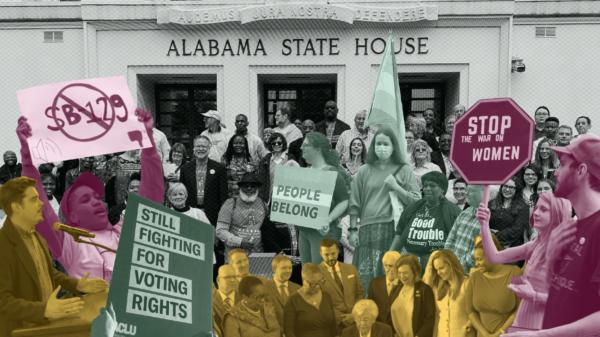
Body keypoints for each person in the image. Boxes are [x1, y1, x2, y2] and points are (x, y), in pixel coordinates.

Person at [16, 110, 164, 283]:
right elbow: (39, 208)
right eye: (85, 200)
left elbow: (151, 196)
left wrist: (147, 140)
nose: (96, 202)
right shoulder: (68, 243)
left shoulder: (124, 231)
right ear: (73, 216)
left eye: (96, 197)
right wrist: (27, 157)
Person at [500, 135, 600, 337]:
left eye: (562, 164)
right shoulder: (573, 229)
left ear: (581, 171)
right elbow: (575, 300)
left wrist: (538, 335)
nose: (556, 173)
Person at [0, 175, 109, 337]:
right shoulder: (3, 244)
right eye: (33, 199)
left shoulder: (36, 236)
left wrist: (78, 285)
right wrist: (43, 310)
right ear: (17, 206)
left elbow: (47, 271)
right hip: (19, 330)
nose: (41, 203)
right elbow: (3, 301)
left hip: (45, 328)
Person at [476, 193, 571, 330]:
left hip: (546, 325)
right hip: (524, 321)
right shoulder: (534, 246)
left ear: (557, 215)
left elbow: (569, 302)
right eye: (537, 208)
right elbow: (494, 257)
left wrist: (534, 296)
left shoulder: (565, 251)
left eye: (543, 209)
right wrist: (484, 224)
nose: (536, 213)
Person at [348, 125, 421, 292]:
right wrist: (353, 230)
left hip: (394, 229)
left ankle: (393, 312)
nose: (382, 147)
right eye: (378, 144)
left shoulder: (404, 169)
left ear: (394, 146)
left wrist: (396, 187)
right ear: (373, 146)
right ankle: (368, 312)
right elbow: (354, 202)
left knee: (392, 273)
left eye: (386, 144)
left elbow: (417, 201)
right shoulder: (364, 170)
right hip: (367, 229)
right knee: (366, 275)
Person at [389, 171, 462, 275]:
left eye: (432, 185)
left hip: (438, 267)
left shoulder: (453, 211)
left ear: (443, 189)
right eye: (425, 185)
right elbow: (400, 232)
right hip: (409, 264)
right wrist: (390, 255)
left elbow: (459, 242)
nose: (427, 188)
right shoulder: (413, 207)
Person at [297, 132, 350, 265]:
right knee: (307, 273)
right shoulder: (305, 172)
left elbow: (344, 201)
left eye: (305, 145)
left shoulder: (332, 172)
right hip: (303, 232)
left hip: (322, 232)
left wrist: (328, 219)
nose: (301, 148)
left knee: (321, 275)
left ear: (317, 150)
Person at [466, 234, 521, 337]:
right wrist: (484, 334)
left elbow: (520, 310)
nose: (476, 264)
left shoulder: (515, 274)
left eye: (479, 259)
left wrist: (498, 333)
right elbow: (470, 310)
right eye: (476, 259)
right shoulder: (475, 276)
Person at [179, 135, 228, 228]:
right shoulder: (185, 168)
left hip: (213, 214)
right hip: (191, 212)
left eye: (204, 146)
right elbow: (182, 192)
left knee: (210, 241)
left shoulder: (219, 168)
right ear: (193, 148)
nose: (201, 149)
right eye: (198, 146)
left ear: (209, 148)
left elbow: (223, 194)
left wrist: (223, 216)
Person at [216, 173, 267, 263]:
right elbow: (220, 231)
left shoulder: (263, 204)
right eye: (246, 186)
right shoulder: (231, 204)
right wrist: (240, 242)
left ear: (257, 188)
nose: (249, 188)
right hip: (235, 259)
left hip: (258, 259)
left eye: (252, 186)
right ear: (240, 188)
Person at [319, 238, 365, 331]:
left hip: (355, 322)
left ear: (338, 250)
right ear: (321, 254)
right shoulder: (316, 273)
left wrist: (354, 315)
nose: (331, 257)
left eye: (333, 253)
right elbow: (319, 300)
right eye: (326, 255)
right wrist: (342, 319)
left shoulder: (351, 268)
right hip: (332, 325)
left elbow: (360, 293)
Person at [424, 249, 472, 337]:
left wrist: (465, 329)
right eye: (436, 270)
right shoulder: (437, 290)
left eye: (441, 268)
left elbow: (475, 313)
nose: (439, 273)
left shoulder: (467, 284)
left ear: (451, 264)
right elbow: (437, 317)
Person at [283, 262, 340, 337]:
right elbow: (289, 331)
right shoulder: (293, 300)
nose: (317, 286)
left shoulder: (326, 296)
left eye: (320, 282)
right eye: (312, 283)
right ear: (303, 280)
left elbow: (333, 326)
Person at [388, 254, 436, 337]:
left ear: (415, 273)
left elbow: (429, 319)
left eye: (405, 273)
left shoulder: (425, 290)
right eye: (399, 272)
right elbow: (389, 316)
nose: (402, 276)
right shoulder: (395, 290)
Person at [444, 183, 485, 275]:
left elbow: (479, 251)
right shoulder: (465, 213)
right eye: (467, 190)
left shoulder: (489, 217)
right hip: (452, 269)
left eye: (472, 191)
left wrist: (458, 265)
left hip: (471, 274)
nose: (467, 193)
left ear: (484, 193)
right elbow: (450, 239)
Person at [487, 176, 530, 258]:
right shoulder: (491, 204)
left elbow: (517, 230)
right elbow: (484, 223)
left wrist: (494, 236)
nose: (507, 189)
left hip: (512, 249)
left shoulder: (523, 207)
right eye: (505, 186)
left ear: (517, 189)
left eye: (511, 187)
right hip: (490, 247)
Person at [258, 132, 300, 204]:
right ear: (270, 145)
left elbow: (297, 179)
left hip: (287, 198)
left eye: (279, 143)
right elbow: (261, 182)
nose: (276, 145)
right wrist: (262, 200)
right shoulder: (265, 160)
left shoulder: (290, 159)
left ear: (283, 144)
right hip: (269, 199)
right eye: (274, 143)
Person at [265, 255, 302, 329]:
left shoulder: (298, 288)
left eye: (290, 268)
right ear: (274, 269)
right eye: (284, 268)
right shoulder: (264, 289)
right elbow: (264, 316)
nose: (288, 271)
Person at [367, 251, 401, 325]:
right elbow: (371, 308)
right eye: (386, 266)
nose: (389, 270)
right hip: (380, 328)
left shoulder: (405, 284)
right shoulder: (374, 284)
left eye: (392, 266)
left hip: (400, 329)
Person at [221, 134, 260, 198]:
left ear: (245, 145)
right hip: (231, 196)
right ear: (231, 145)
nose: (238, 145)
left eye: (241, 143)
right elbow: (222, 180)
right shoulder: (225, 160)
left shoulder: (251, 160)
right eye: (235, 143)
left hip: (248, 196)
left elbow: (256, 178)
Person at [214, 265, 242, 337]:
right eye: (228, 277)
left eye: (234, 277)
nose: (232, 280)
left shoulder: (245, 300)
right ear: (218, 280)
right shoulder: (210, 302)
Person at [163, 142, 188, 208]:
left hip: (180, 195)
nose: (176, 154)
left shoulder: (187, 167)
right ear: (171, 153)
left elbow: (190, 181)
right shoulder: (165, 165)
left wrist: (179, 178)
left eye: (179, 152)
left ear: (183, 155)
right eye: (175, 151)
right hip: (167, 195)